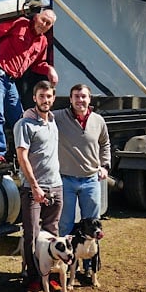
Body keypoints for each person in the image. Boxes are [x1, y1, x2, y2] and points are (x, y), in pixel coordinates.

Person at [0, 9, 58, 170]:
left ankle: (24, 154)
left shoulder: (43, 42)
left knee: (19, 119)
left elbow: (38, 64)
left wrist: (49, 70)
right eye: (43, 20)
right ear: (36, 17)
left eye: (48, 23)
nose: (44, 24)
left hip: (11, 81)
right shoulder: (21, 23)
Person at [13, 80, 63, 292]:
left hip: (56, 186)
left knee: (52, 234)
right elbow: (22, 157)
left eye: (49, 96)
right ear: (34, 98)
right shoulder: (25, 124)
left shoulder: (52, 121)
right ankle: (33, 280)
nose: (46, 100)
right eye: (42, 96)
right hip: (33, 189)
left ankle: (49, 276)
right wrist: (34, 186)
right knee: (32, 236)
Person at [54, 83, 111, 240]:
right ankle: (67, 262)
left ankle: (89, 262)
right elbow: (40, 115)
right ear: (70, 99)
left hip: (91, 180)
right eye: (76, 97)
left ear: (89, 98)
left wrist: (105, 166)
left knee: (92, 225)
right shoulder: (58, 117)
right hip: (66, 180)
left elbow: (105, 144)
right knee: (65, 224)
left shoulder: (98, 121)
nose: (80, 100)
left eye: (83, 96)